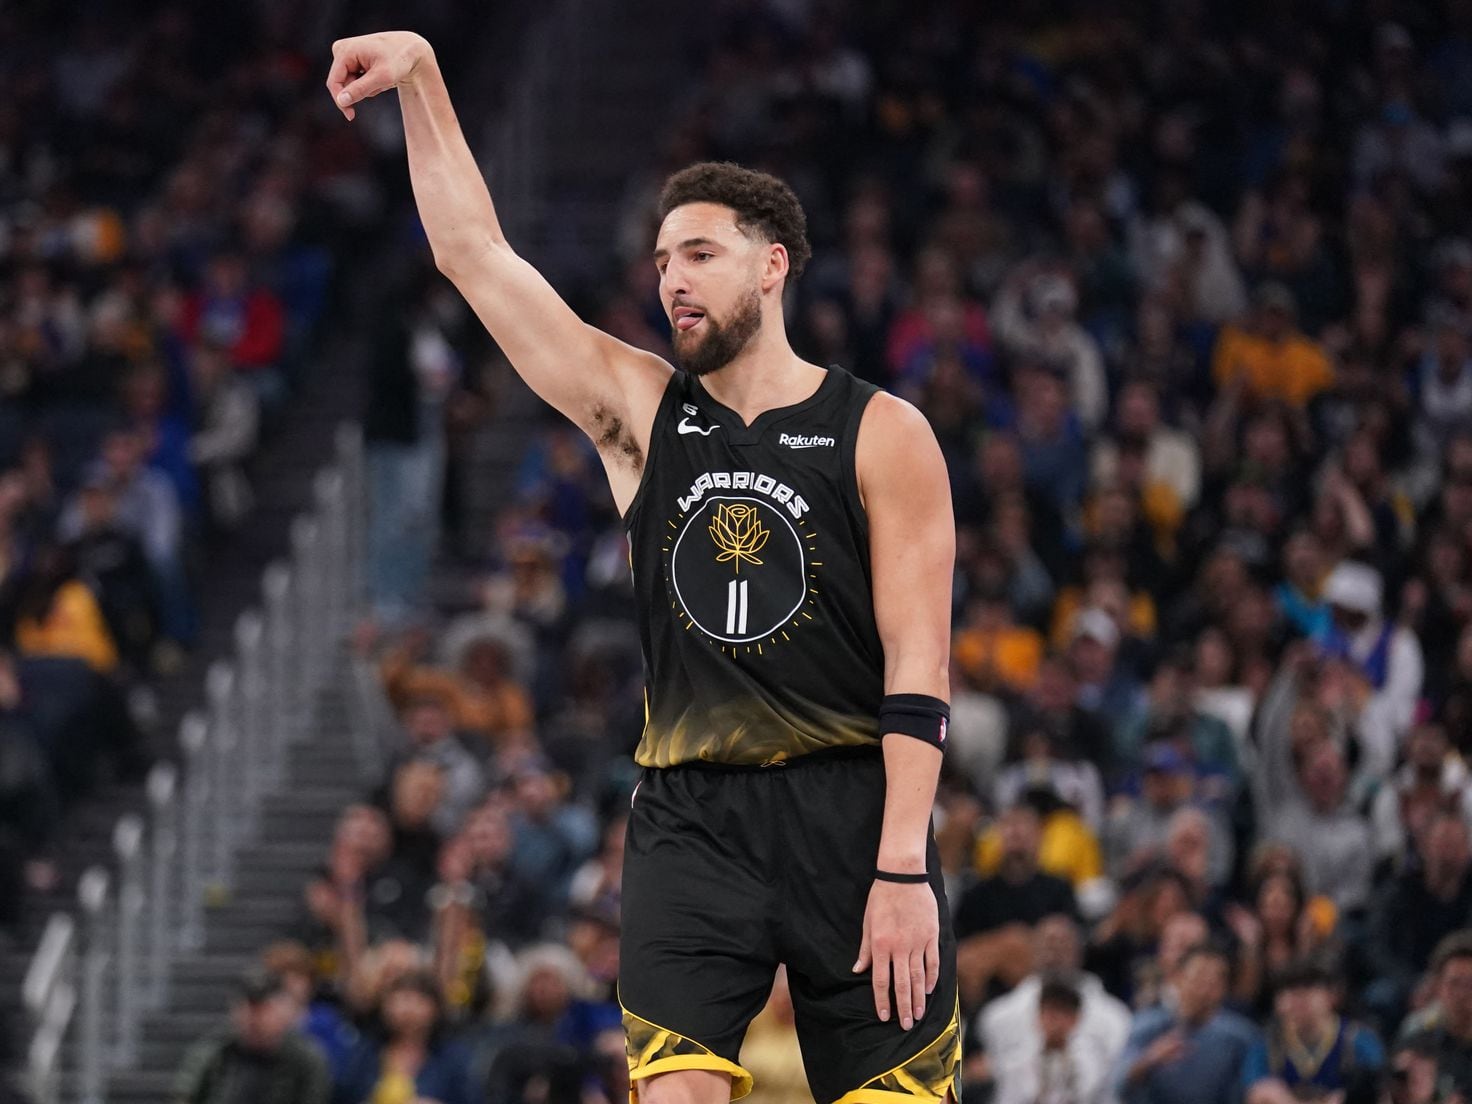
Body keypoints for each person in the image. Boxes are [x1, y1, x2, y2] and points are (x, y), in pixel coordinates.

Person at [327, 31, 960, 1104]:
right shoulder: (641, 412)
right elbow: (475, 256)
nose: (671, 280)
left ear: (772, 264)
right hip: (688, 820)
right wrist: (428, 77)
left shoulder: (881, 431)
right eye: (660, 260)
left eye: (699, 255)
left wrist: (901, 867)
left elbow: (918, 665)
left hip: (851, 821)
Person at [1114, 943, 1259, 1104]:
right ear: (1177, 979)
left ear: (1224, 988)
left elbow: (1255, 1086)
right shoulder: (1148, 1025)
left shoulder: (1241, 1037)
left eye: (1214, 982)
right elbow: (1117, 1083)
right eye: (1198, 978)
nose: (1204, 990)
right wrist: (1148, 1060)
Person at [173, 969, 330, 1104]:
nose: (254, 1019)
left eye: (264, 1009)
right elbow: (184, 1096)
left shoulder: (305, 1058)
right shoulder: (216, 1051)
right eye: (248, 1008)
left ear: (284, 1011)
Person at [1241, 960, 1384, 1104]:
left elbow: (1378, 1086)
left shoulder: (1357, 1040)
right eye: (1290, 992)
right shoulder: (1267, 1044)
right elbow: (1256, 1090)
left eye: (1307, 991)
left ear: (1332, 995)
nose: (1298, 1001)